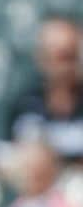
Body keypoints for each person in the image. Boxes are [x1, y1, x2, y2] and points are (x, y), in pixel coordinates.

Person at [5, 17, 83, 165]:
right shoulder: (25, 104)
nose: (61, 66)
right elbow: (3, 155)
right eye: (50, 55)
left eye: (67, 56)